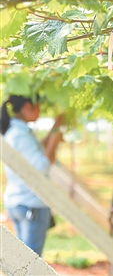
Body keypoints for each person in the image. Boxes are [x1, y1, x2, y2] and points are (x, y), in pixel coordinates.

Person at [1, 95, 64, 257]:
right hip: (31, 203)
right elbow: (41, 166)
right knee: (31, 262)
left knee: (24, 260)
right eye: (38, 105)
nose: (41, 110)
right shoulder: (20, 135)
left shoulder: (17, 132)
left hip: (21, 202)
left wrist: (54, 130)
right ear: (28, 107)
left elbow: (36, 151)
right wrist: (54, 143)